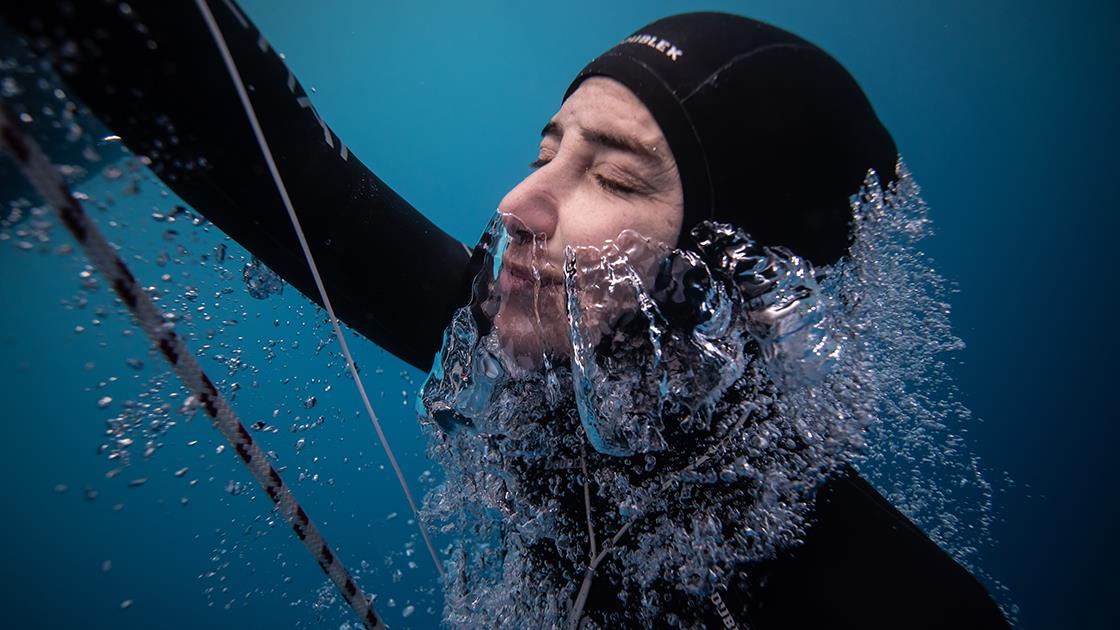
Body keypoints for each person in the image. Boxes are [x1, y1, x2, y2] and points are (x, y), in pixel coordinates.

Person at [2, 2, 1008, 628]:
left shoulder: (897, 608)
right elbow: (300, 184)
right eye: (545, 154)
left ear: (730, 270)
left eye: (610, 174)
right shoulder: (538, 366)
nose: (513, 208)